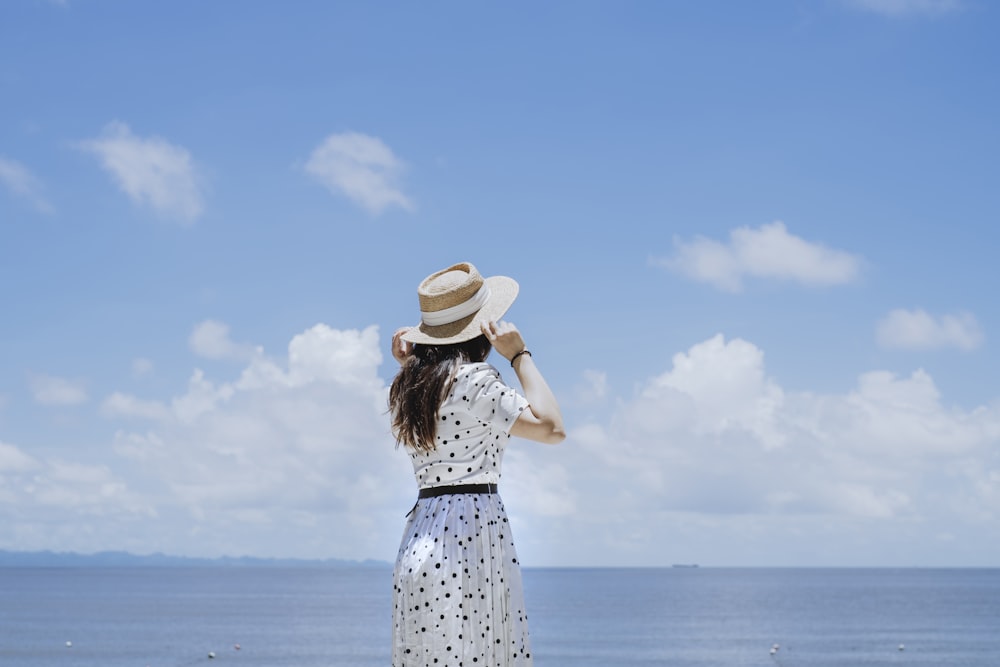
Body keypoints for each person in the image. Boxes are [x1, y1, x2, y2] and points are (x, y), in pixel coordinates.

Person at [389, 261, 565, 667]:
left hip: (422, 532)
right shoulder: (475, 381)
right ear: (481, 328)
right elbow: (552, 428)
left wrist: (407, 364)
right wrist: (519, 355)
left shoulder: (407, 389)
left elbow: (443, 404)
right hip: (469, 533)